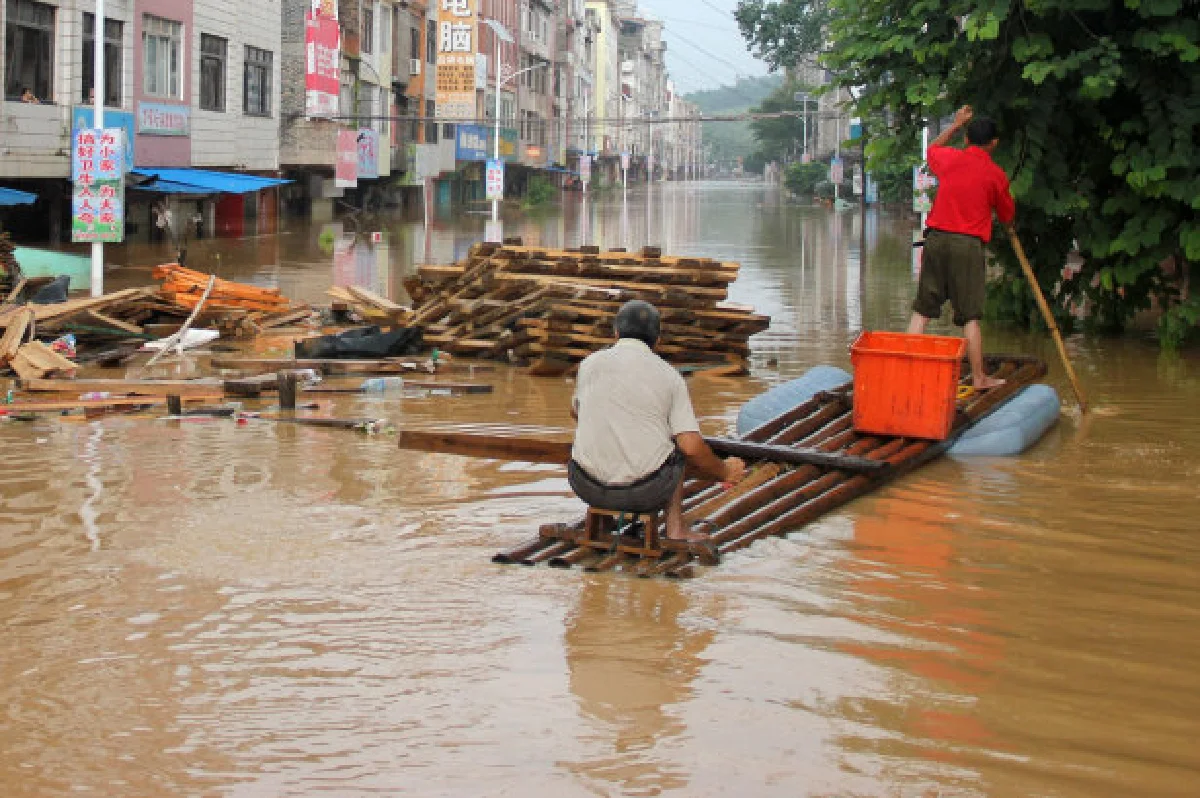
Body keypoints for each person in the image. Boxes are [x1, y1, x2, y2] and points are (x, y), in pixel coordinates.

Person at [569, 300, 747, 543]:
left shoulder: (588, 365)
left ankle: (604, 524)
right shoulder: (669, 376)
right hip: (644, 493)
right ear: (657, 340)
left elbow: (576, 413)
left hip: (585, 486)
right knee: (678, 450)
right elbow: (691, 446)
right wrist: (725, 471)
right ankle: (676, 530)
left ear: (616, 333)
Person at [908, 105, 1015, 390]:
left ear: (966, 139)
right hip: (967, 245)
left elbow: (932, 148)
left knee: (922, 310)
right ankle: (979, 378)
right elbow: (1006, 215)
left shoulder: (950, 159)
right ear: (994, 144)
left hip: (936, 238)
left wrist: (955, 124)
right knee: (970, 315)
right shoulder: (996, 175)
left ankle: (905, 370)